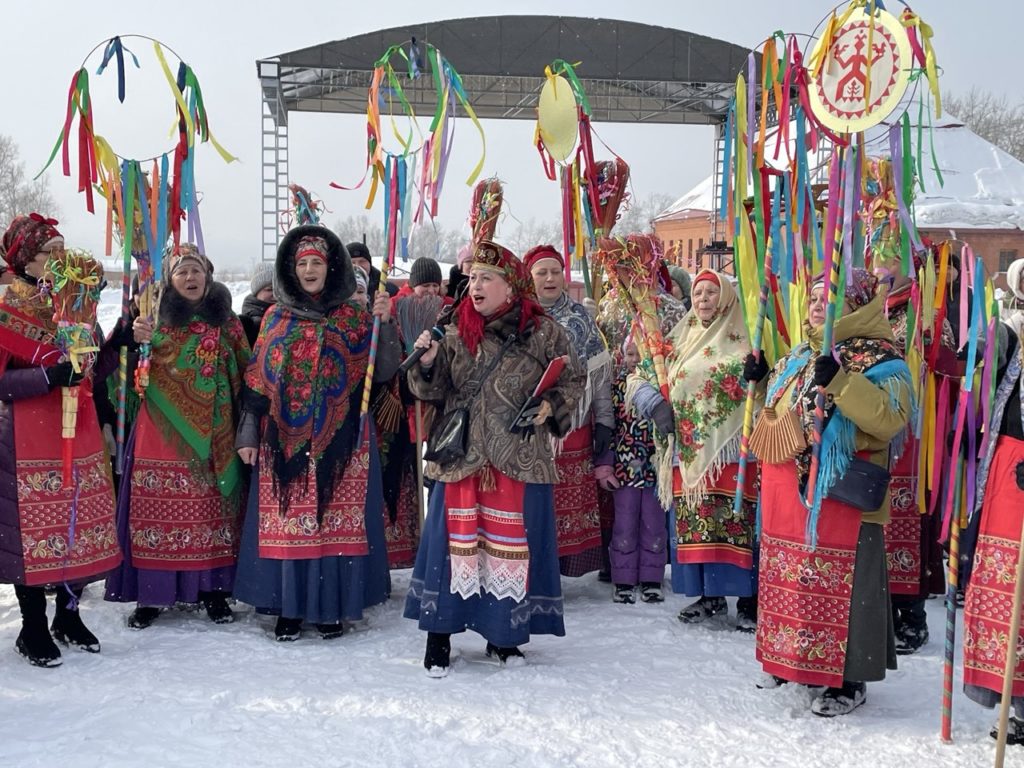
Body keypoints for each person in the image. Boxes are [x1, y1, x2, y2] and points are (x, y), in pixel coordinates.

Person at [404, 240, 584, 677]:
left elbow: (574, 380)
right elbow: (427, 390)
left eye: (487, 278)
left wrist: (550, 407)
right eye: (473, 277)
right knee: (452, 550)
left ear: (510, 286)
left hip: (520, 457)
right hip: (463, 458)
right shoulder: (452, 328)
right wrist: (426, 362)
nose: (476, 285)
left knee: (511, 551)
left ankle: (503, 637)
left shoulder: (544, 331)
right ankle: (439, 638)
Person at [749, 269, 913, 716]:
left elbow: (889, 419)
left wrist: (842, 382)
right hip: (791, 491)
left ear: (857, 303)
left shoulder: (881, 358)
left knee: (846, 583)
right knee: (792, 577)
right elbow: (784, 410)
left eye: (831, 298)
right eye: (815, 297)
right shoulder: (801, 352)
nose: (818, 305)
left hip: (843, 492)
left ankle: (849, 678)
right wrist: (763, 380)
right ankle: (791, 660)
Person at [233, 225, 395, 641]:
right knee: (290, 526)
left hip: (344, 440)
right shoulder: (274, 318)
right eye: (302, 263)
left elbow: (385, 372)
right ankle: (288, 608)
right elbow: (256, 384)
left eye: (316, 263)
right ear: (290, 270)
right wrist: (248, 434)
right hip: (283, 442)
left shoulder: (356, 319)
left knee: (333, 527)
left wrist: (386, 325)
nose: (309, 269)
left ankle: (330, 607)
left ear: (331, 269)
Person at [104, 244, 250, 629]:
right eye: (182, 271)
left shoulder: (228, 321)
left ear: (208, 275)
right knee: (158, 509)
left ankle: (214, 592)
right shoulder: (151, 318)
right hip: (160, 429)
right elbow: (126, 377)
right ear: (169, 278)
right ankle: (153, 594)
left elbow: (247, 371)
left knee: (210, 510)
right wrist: (132, 339)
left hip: (218, 430)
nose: (190, 278)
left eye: (196, 270)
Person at [0, 214, 121, 666]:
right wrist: (48, 376)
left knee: (77, 526)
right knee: (35, 535)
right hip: (28, 432)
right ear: (26, 258)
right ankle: (32, 627)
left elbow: (91, 371)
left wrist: (117, 340)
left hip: (80, 429)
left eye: (62, 250)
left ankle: (67, 614)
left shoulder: (77, 303)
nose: (60, 258)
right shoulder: (7, 305)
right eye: (52, 251)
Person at [631, 270, 759, 621]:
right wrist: (651, 401)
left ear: (728, 297)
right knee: (698, 524)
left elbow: (770, 384)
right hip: (687, 453)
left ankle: (750, 600)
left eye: (711, 292)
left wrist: (760, 376)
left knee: (738, 523)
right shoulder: (679, 337)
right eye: (699, 292)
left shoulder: (747, 338)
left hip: (734, 453)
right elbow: (641, 372)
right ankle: (709, 595)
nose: (702, 298)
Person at [881, 258, 958, 655]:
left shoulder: (925, 314)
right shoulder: (864, 309)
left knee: (905, 526)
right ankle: (878, 615)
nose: (881, 267)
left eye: (889, 259)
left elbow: (946, 371)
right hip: (872, 432)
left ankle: (911, 618)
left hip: (912, 436)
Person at [526, 244, 612, 577]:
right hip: (530, 425)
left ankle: (564, 567)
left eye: (555, 271)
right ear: (529, 277)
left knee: (567, 502)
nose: (550, 278)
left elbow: (599, 374)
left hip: (573, 426)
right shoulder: (518, 317)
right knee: (535, 503)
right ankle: (535, 568)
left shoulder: (581, 318)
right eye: (541, 272)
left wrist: (604, 421)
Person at [960, 317, 1024, 743]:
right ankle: (1018, 706)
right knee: (1007, 591)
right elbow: (989, 344)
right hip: (1006, 472)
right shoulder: (1016, 339)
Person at [594, 337, 666, 603]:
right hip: (624, 469)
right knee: (623, 523)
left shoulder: (660, 386)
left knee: (654, 523)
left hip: (655, 470)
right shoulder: (617, 388)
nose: (635, 359)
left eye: (640, 354)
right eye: (630, 354)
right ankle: (623, 578)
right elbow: (609, 429)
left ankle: (651, 577)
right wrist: (604, 465)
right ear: (622, 356)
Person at [239, 261, 276, 347]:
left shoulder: (287, 316)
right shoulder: (247, 324)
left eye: (278, 289)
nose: (275, 294)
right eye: (269, 289)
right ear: (256, 292)